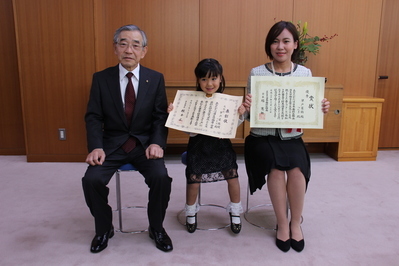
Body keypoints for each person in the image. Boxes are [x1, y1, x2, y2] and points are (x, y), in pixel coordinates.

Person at [82, 25, 173, 253]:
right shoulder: (101, 79)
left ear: (144, 51)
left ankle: (156, 227)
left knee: (161, 177)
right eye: (123, 43)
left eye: (135, 45)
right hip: (111, 145)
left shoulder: (155, 78)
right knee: (91, 180)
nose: (129, 50)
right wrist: (96, 147)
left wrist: (156, 143)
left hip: (144, 144)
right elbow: (93, 116)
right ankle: (104, 228)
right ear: (115, 48)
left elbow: (160, 116)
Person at [244, 21, 330, 252]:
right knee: (275, 168)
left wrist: (319, 108)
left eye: (285, 41)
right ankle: (282, 224)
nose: (279, 46)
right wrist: (246, 107)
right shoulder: (257, 72)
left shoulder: (304, 73)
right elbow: (248, 116)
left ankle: (295, 223)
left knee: (297, 170)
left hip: (292, 138)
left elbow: (307, 110)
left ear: (295, 45)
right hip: (262, 138)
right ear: (269, 45)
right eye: (275, 41)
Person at [168, 58, 251, 234]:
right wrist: (175, 114)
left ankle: (235, 212)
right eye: (204, 79)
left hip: (221, 146)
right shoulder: (191, 100)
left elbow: (230, 127)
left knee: (233, 177)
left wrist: (240, 115)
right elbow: (188, 131)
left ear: (220, 79)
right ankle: (191, 212)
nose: (209, 83)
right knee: (193, 181)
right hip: (199, 146)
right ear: (198, 80)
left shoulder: (228, 101)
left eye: (213, 78)